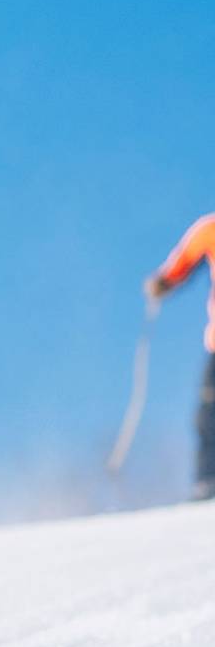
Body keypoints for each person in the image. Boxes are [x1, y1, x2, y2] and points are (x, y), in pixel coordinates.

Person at [143, 213, 215, 501]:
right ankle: (208, 484)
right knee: (210, 413)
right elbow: (184, 259)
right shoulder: (210, 230)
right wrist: (164, 282)